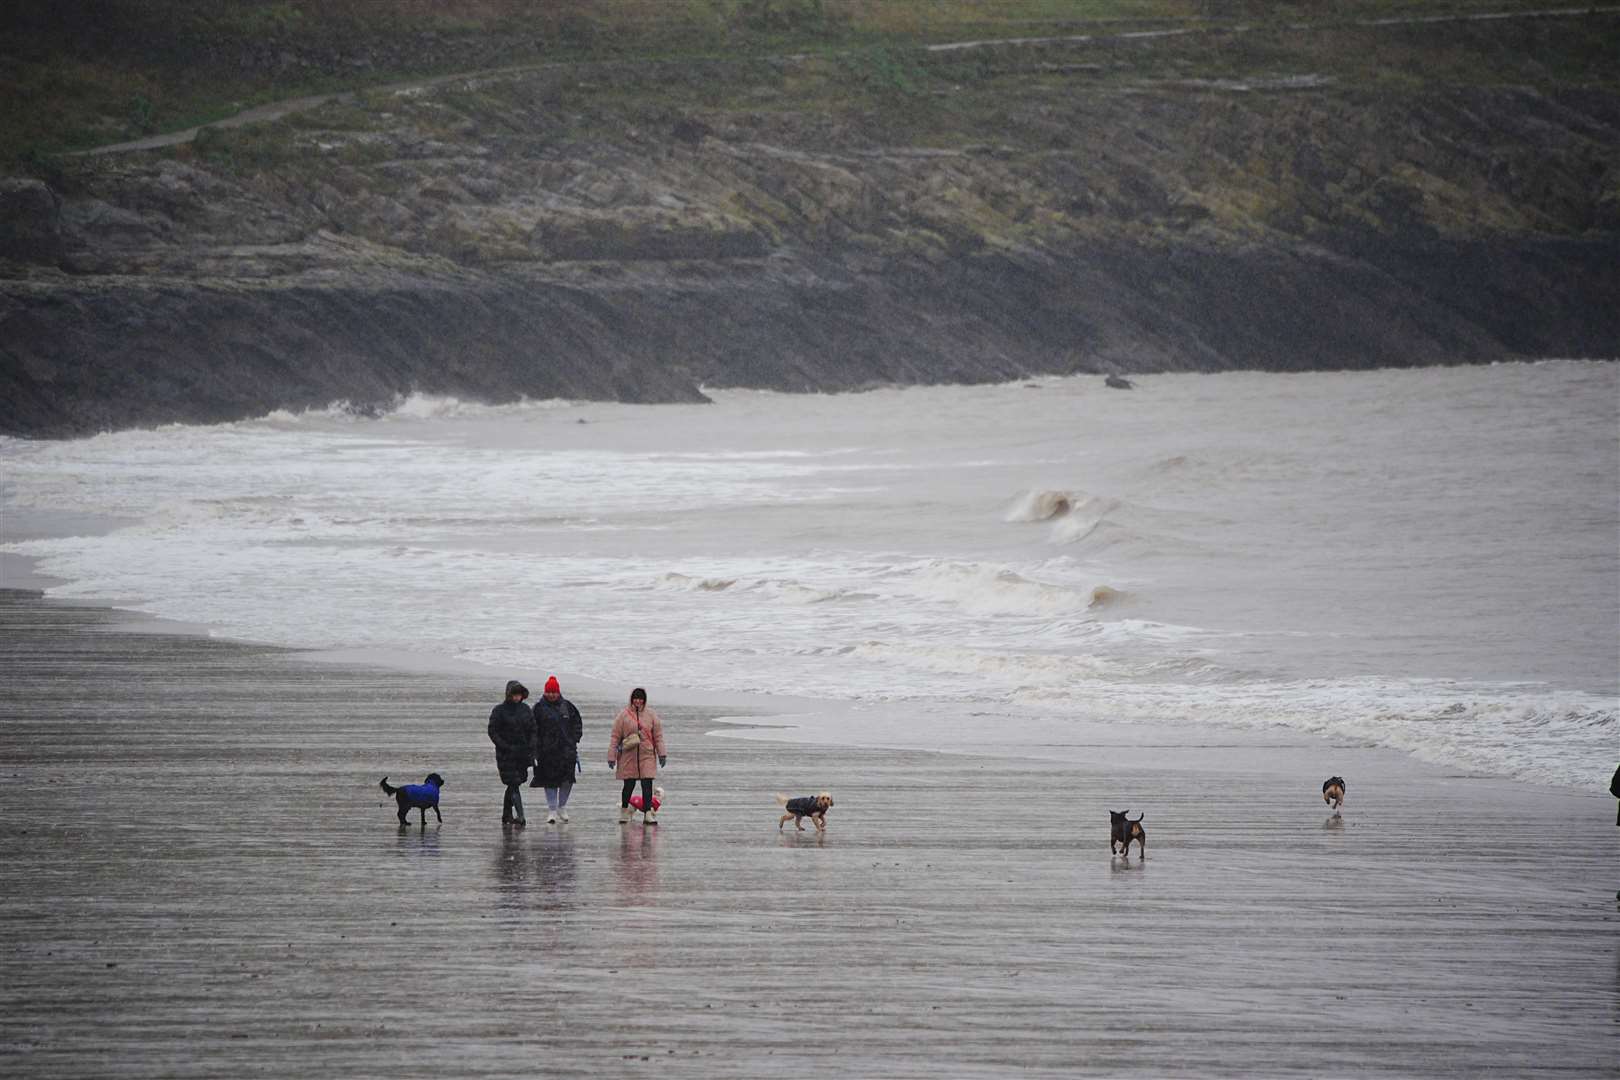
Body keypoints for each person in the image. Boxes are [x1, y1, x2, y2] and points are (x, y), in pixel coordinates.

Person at [609, 687, 665, 824]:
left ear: (644, 700)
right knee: (629, 785)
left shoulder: (651, 715)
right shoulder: (624, 715)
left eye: (641, 698)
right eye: (636, 698)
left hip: (647, 754)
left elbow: (658, 736)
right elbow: (615, 736)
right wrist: (611, 756)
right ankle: (624, 811)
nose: (638, 701)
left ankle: (647, 813)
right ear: (631, 699)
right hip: (629, 756)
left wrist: (662, 753)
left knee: (647, 784)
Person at [531, 675, 583, 824]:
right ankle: (552, 810)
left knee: (567, 780)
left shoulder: (568, 706)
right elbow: (532, 729)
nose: (552, 695)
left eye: (554, 692)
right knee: (549, 781)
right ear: (545, 692)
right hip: (546, 752)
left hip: (567, 751)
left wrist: (574, 739)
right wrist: (535, 747)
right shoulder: (538, 708)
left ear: (559, 692)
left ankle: (562, 806)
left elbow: (577, 724)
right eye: (549, 692)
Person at [487, 679, 534, 827]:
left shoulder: (526, 709)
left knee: (517, 782)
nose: (516, 697)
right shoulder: (499, 711)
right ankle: (521, 817)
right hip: (506, 754)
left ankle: (506, 814)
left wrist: (531, 747)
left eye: (519, 695)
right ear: (508, 694)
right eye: (514, 694)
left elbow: (533, 730)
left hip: (522, 754)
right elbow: (492, 731)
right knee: (513, 783)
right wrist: (504, 746)